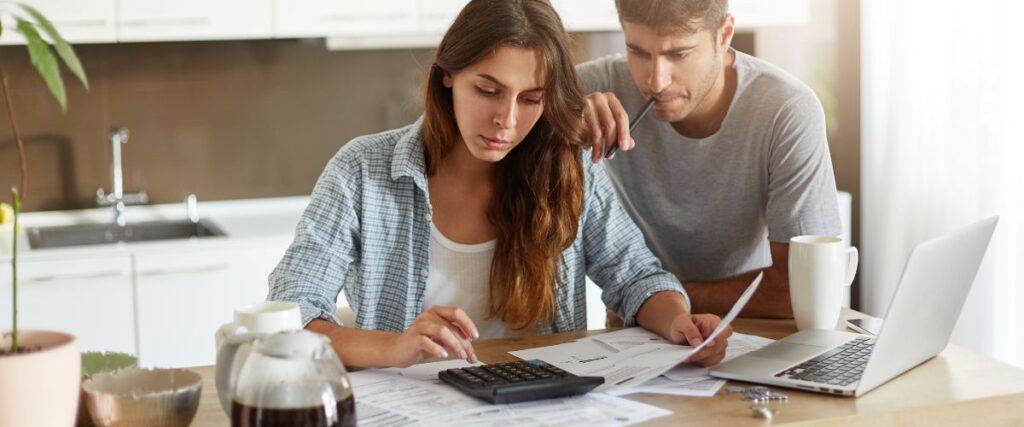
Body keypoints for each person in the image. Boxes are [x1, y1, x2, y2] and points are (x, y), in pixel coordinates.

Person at [268, 0, 731, 369]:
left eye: (530, 99)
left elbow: (637, 278)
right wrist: (396, 348)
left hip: (541, 408)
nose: (506, 121)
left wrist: (680, 324)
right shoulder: (361, 173)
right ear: (448, 74)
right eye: (488, 90)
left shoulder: (567, 167)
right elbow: (287, 317)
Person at [577, 0, 842, 319]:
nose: (656, 81)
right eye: (639, 52)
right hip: (635, 340)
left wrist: (649, 298)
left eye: (679, 54)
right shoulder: (589, 94)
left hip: (752, 331)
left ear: (724, 34)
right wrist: (557, 122)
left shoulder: (785, 110)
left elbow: (798, 292)